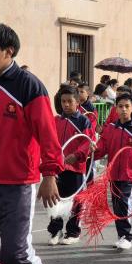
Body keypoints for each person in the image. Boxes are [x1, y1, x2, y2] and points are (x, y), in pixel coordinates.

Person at [0, 23, 70, 264]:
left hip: (17, 184)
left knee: (14, 255)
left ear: (9, 52)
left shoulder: (28, 86)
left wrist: (49, 174)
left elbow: (48, 134)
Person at [93, 93, 132, 250]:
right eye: (120, 106)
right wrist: (90, 153)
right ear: (116, 109)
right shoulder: (111, 128)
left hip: (131, 174)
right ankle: (121, 236)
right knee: (117, 205)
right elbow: (102, 147)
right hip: (113, 174)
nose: (124, 109)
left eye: (127, 106)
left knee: (124, 204)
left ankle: (126, 236)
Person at [48, 86, 93, 246]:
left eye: (69, 101)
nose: (66, 105)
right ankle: (55, 230)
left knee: (76, 201)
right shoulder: (56, 120)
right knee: (56, 200)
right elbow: (50, 142)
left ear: (77, 102)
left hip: (76, 169)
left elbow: (87, 142)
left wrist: (77, 156)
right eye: (63, 101)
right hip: (58, 168)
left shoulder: (83, 121)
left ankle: (73, 232)